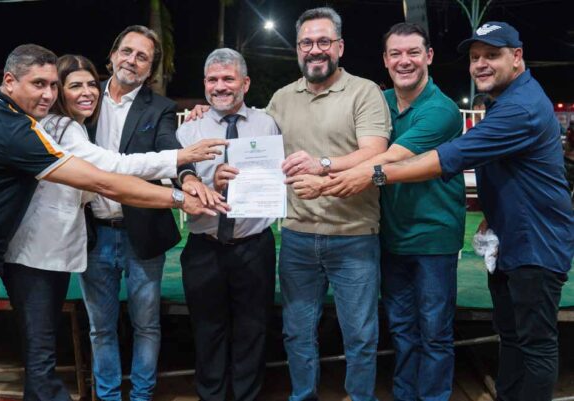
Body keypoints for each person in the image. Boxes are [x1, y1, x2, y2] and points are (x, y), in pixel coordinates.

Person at [0, 44, 220, 401]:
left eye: (52, 85)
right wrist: (179, 192)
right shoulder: (21, 131)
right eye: (40, 84)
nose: (48, 94)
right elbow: (106, 179)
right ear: (10, 81)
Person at [325, 22, 574, 401]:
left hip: (534, 244)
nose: (481, 64)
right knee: (511, 337)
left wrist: (372, 174)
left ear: (517, 57)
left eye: (492, 55)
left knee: (534, 344)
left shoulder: (519, 107)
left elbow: (448, 158)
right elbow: (512, 172)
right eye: (475, 57)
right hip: (510, 239)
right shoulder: (504, 99)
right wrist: (492, 215)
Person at [2, 54, 225, 401]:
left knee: (137, 326)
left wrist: (185, 160)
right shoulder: (65, 127)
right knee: (64, 343)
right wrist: (181, 166)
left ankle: (140, 396)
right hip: (53, 250)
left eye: (91, 84)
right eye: (74, 85)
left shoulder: (83, 121)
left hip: (115, 241)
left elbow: (149, 148)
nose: (87, 92)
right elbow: (112, 170)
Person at [324, 22, 465, 400]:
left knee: (434, 331)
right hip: (389, 235)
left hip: (433, 238)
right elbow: (327, 122)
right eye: (396, 54)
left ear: (428, 56)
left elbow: (390, 159)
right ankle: (404, 395)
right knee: (401, 328)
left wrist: (339, 175)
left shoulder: (443, 110)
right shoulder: (378, 102)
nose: (405, 61)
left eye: (413, 52)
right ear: (385, 60)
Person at [78, 25, 212, 401]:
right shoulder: (85, 98)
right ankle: (107, 396)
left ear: (150, 68)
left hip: (143, 234)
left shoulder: (160, 108)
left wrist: (188, 177)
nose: (132, 60)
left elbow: (170, 148)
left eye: (142, 57)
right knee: (100, 328)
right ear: (112, 55)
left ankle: (141, 395)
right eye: (127, 51)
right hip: (94, 233)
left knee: (147, 325)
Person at [270, 7, 390, 401]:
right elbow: (252, 141)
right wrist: (208, 110)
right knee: (297, 332)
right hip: (297, 237)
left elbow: (375, 153)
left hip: (353, 235)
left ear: (339, 47)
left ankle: (360, 397)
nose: (314, 49)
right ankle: (302, 395)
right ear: (297, 49)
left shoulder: (364, 91)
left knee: (360, 335)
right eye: (306, 42)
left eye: (324, 41)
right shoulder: (282, 98)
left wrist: (322, 166)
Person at [176, 48, 278, 401]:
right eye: (213, 80)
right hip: (204, 246)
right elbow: (180, 183)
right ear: (204, 84)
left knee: (253, 330)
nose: (220, 86)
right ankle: (211, 396)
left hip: (254, 245)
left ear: (245, 83)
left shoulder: (268, 124)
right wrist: (212, 181)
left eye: (228, 79)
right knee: (207, 331)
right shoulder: (189, 130)